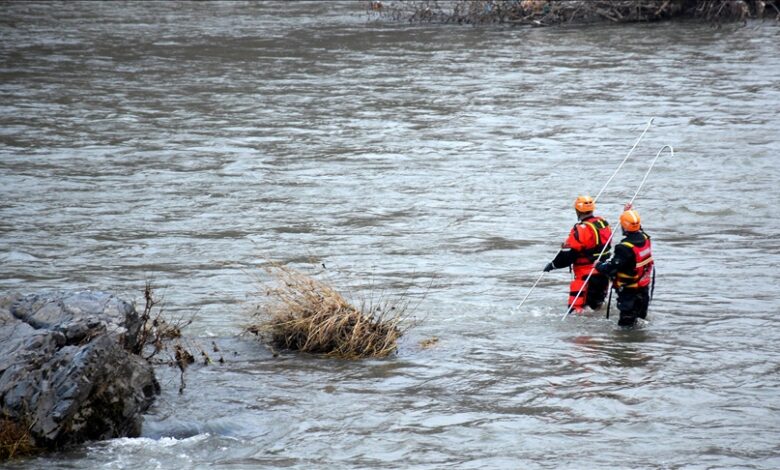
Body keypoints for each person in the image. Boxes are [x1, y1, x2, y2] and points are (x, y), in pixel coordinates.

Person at [543, 195, 612, 313]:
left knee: (576, 312)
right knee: (595, 309)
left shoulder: (581, 230)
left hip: (586, 276)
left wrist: (553, 265)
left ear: (577, 211)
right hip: (603, 274)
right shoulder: (603, 223)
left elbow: (568, 256)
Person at [596, 206, 654, 327]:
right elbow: (639, 229)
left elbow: (612, 268)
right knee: (640, 322)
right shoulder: (646, 238)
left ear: (623, 226)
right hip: (643, 290)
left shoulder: (624, 247)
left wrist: (599, 265)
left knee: (626, 326)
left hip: (629, 293)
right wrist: (628, 213)